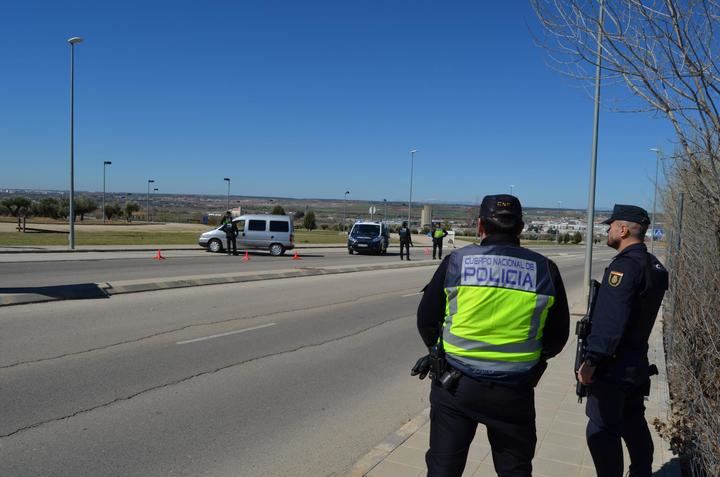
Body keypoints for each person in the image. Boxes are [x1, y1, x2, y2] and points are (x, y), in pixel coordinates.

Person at [412, 194, 570, 477]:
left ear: (480, 226)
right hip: (514, 390)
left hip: (456, 386)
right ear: (520, 228)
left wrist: (437, 349)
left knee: (443, 469)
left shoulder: (457, 262)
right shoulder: (545, 269)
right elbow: (558, 337)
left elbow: (426, 320)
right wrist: (531, 357)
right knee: (515, 471)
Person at [577, 204, 668, 477]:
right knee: (632, 421)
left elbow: (610, 321)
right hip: (635, 363)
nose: (608, 230)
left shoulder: (625, 267)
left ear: (624, 229)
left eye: (611, 225)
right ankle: (641, 471)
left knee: (602, 428)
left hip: (613, 367)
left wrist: (591, 360)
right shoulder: (655, 266)